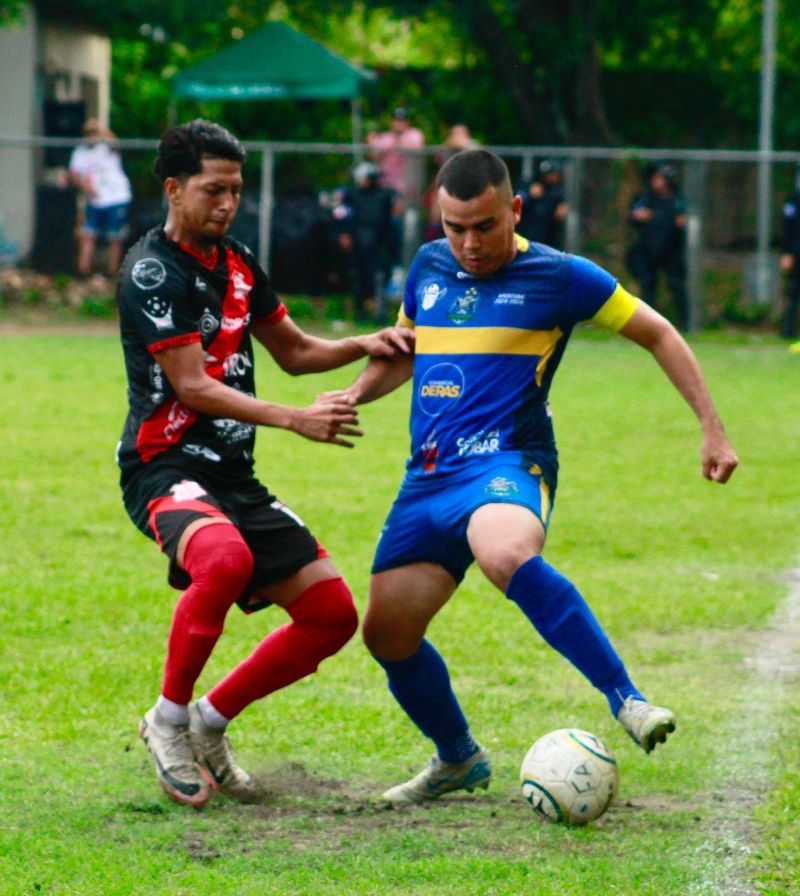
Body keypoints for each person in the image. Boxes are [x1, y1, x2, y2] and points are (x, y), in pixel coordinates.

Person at [333, 149, 738, 804]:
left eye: (484, 226)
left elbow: (659, 333)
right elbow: (406, 352)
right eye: (454, 227)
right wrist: (352, 394)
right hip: (429, 477)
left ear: (515, 210)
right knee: (387, 636)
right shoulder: (427, 267)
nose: (469, 244)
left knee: (505, 553)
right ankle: (458, 758)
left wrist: (712, 428)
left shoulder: (561, 277)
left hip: (507, 460)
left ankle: (627, 699)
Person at [116, 119, 412, 809]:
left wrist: (366, 342)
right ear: (173, 189)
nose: (227, 204)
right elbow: (192, 386)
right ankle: (167, 721)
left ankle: (209, 723)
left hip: (231, 476)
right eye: (213, 190)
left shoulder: (240, 263)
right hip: (164, 466)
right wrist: (294, 418)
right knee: (224, 561)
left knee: (332, 615)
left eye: (236, 190)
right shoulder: (151, 270)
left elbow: (296, 351)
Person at [625, 163, 689, 331]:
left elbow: (683, 221)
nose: (656, 182)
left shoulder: (678, 199)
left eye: (660, 178)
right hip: (649, 249)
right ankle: (647, 325)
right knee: (648, 285)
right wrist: (638, 216)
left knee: (676, 285)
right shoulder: (647, 198)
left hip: (671, 250)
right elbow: (635, 215)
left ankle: (686, 324)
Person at [367, 107, 426, 285]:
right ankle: (390, 271)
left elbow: (414, 147)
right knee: (386, 230)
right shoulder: (386, 137)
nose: (398, 123)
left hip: (409, 194)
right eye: (396, 120)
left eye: (402, 120)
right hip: (386, 192)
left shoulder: (414, 135)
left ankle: (405, 270)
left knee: (408, 234)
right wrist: (374, 143)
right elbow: (373, 154)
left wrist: (383, 144)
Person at [68, 119, 133, 277]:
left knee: (114, 237)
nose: (91, 136)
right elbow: (74, 175)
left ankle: (112, 273)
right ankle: (83, 272)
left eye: (93, 132)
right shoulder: (79, 153)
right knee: (88, 234)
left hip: (116, 198)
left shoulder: (107, 148)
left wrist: (101, 130)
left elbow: (116, 144)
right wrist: (87, 188)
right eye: (88, 133)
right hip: (95, 200)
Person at [335, 162, 396, 322]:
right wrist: (344, 233)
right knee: (357, 277)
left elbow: (390, 218)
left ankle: (380, 313)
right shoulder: (351, 195)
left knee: (379, 278)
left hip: (378, 243)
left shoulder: (384, 195)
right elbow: (343, 214)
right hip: (357, 242)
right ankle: (359, 312)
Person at [516, 158, 568, 250]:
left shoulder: (557, 190)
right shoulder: (528, 186)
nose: (554, 178)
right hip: (528, 232)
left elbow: (560, 209)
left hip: (549, 235)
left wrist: (561, 208)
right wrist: (530, 196)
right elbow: (518, 203)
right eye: (551, 175)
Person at [779, 184, 800, 344]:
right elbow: (787, 227)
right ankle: (788, 332)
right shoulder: (793, 201)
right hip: (796, 253)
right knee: (793, 292)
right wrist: (786, 253)